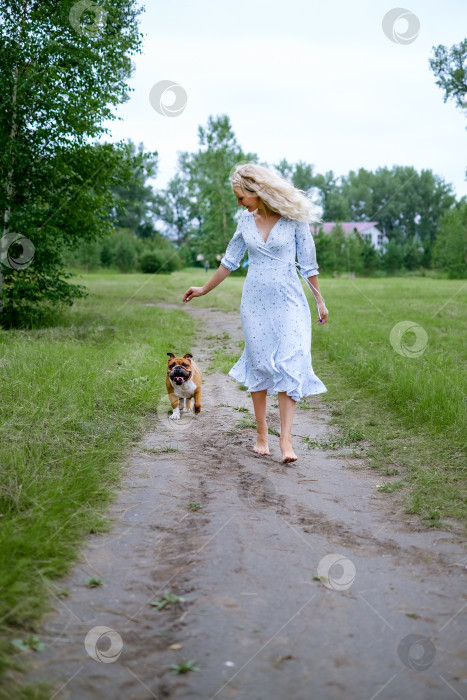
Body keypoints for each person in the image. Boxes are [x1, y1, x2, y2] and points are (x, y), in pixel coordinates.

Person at [183, 163, 328, 463]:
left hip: (289, 300)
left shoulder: (294, 220)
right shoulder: (245, 223)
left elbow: (309, 265)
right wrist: (203, 289)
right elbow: (229, 262)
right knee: (260, 364)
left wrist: (320, 301)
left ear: (256, 191)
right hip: (254, 302)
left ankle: (285, 441)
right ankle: (262, 434)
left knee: (290, 361)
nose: (239, 204)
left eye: (241, 197)